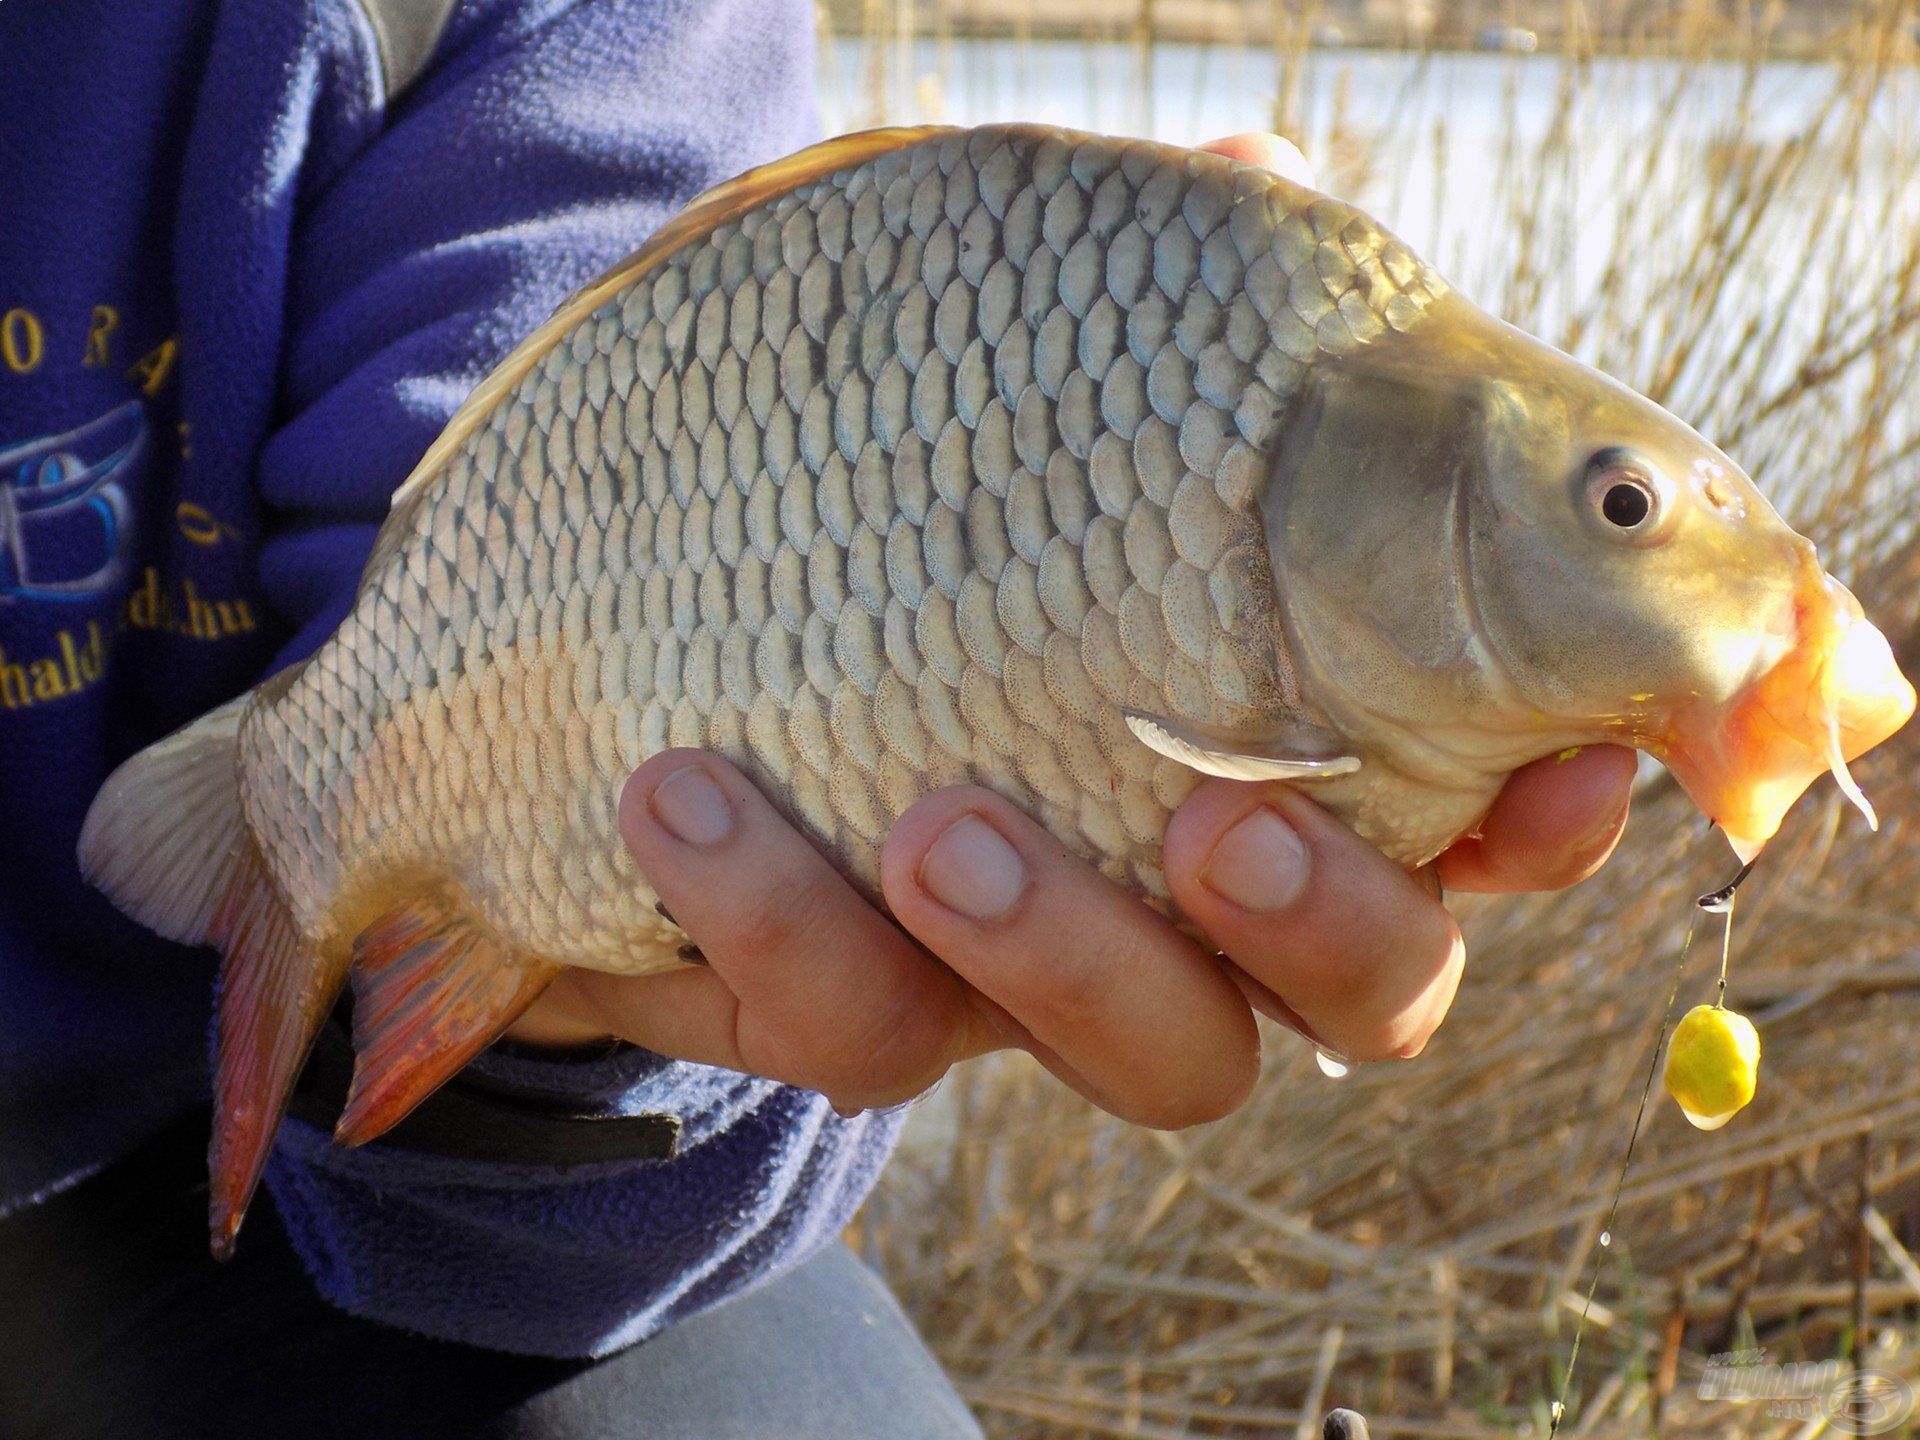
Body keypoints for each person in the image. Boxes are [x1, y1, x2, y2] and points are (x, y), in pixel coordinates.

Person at [0, 1, 1637, 1435]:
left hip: (165, 1181)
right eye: (1619, 507)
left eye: (1619, 509)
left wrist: (570, 1021)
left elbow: (497, 540)